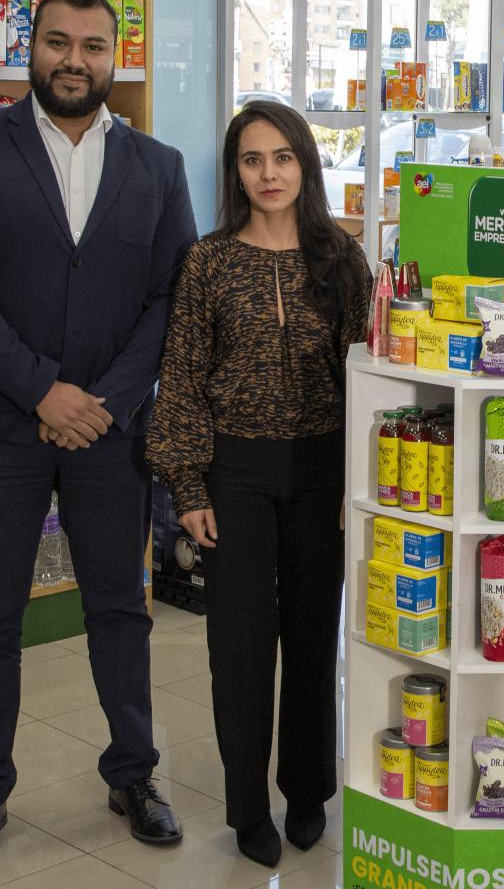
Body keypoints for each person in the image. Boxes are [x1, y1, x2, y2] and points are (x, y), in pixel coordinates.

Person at [0, 0, 197, 871]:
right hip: (1, 427)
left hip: (111, 431)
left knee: (119, 609)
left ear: (116, 55)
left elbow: (171, 297)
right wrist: (45, 392)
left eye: (93, 45)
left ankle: (133, 774)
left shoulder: (158, 165)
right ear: (29, 47)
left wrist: (104, 401)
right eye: (57, 42)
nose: (74, 59)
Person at [146, 100, 371, 868]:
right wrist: (188, 487)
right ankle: (247, 807)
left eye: (282, 157)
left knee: (312, 635)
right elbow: (181, 376)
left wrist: (358, 481)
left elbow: (365, 377)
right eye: (252, 160)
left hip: (321, 471)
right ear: (235, 172)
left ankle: (307, 791)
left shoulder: (341, 258)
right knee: (239, 645)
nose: (269, 173)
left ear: (304, 164)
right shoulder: (207, 261)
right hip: (233, 473)